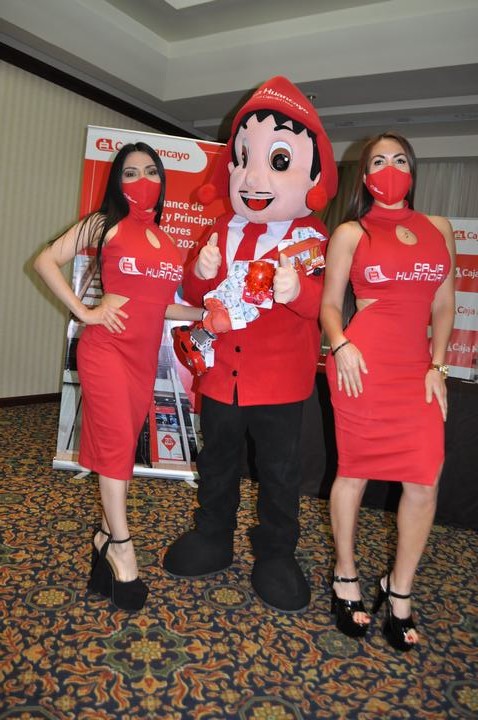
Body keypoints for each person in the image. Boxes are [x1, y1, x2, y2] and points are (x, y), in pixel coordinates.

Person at [163, 76, 338, 613]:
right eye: (243, 159)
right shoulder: (220, 228)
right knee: (217, 460)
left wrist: (297, 290)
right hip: (221, 376)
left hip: (279, 382)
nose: (253, 176)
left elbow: (326, 306)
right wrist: (199, 272)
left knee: (280, 472)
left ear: (314, 175)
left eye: (278, 161)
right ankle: (212, 535)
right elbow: (196, 295)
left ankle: (276, 554)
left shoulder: (313, 237)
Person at [34, 142, 202, 611]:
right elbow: (45, 261)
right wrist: (85, 312)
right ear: (117, 181)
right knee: (114, 449)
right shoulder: (103, 223)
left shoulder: (167, 241)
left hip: (142, 359)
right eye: (130, 172)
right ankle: (123, 549)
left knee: (123, 450)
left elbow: (159, 306)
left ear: (162, 181)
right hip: (105, 351)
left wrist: (203, 313)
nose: (141, 180)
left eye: (150, 171)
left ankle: (104, 539)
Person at [320, 132, 455, 649]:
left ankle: (399, 588)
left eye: (399, 159)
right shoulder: (351, 232)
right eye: (378, 161)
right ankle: (345, 575)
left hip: (417, 370)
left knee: (425, 481)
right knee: (353, 472)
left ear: (412, 170)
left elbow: (444, 304)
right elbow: (330, 304)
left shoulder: (438, 228)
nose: (390, 168)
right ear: (365, 174)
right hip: (361, 364)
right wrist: (340, 345)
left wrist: (437, 365)